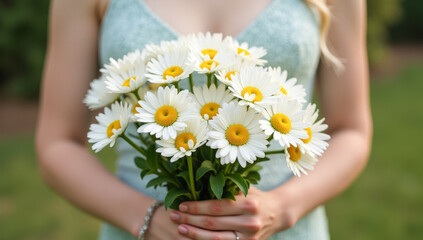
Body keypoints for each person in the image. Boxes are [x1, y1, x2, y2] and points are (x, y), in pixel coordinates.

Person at [36, 0, 372, 239]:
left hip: (290, 232)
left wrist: (282, 207)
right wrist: (146, 218)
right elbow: (56, 142)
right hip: (135, 231)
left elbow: (351, 130)